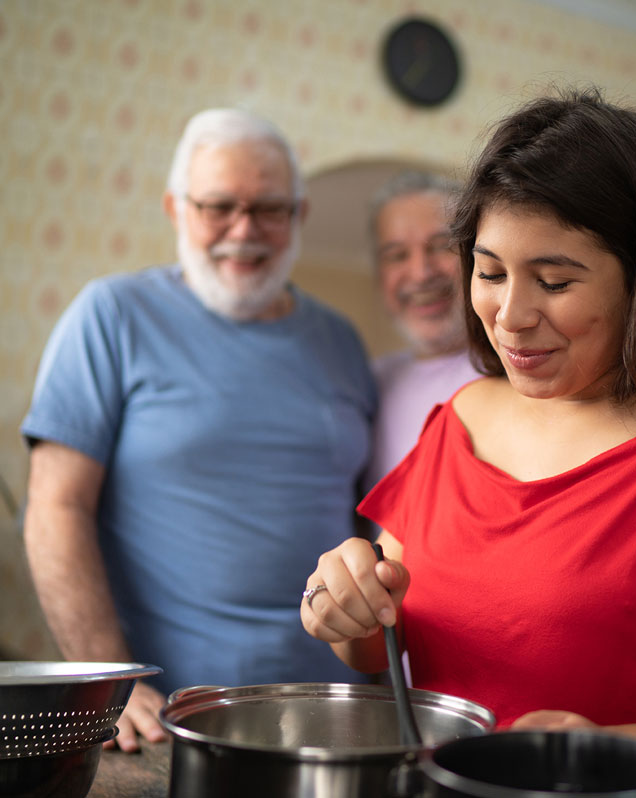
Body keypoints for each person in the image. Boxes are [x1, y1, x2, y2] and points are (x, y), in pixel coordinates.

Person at [301, 87, 636, 797]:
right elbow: (380, 637)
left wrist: (614, 759)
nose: (511, 316)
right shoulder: (459, 420)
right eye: (490, 271)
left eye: (555, 281)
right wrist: (343, 605)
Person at [21, 107, 377, 752]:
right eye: (219, 206)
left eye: (270, 208)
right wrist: (108, 681)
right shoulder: (112, 315)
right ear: (175, 208)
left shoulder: (342, 341)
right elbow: (54, 506)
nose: (245, 230)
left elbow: (366, 516)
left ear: (299, 216)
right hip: (170, 722)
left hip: (336, 713)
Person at [364, 171, 480, 490]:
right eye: (397, 255)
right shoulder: (370, 383)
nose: (421, 272)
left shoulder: (516, 370)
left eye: (442, 246)